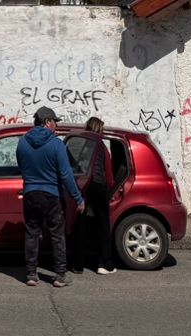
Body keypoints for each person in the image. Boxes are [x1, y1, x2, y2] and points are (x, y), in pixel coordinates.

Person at [15, 106, 85, 288]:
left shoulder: (22, 143)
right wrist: (78, 198)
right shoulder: (56, 144)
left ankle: (31, 274)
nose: (56, 125)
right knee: (57, 235)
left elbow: (21, 167)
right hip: (52, 195)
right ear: (47, 122)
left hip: (30, 193)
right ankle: (60, 275)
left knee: (32, 234)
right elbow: (66, 175)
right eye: (54, 121)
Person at [81, 117, 116, 273]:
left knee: (84, 223)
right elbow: (108, 172)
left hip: (84, 187)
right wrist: (110, 189)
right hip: (99, 186)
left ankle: (79, 261)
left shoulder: (81, 143)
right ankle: (104, 263)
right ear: (98, 129)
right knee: (103, 225)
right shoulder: (101, 146)